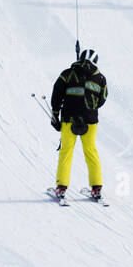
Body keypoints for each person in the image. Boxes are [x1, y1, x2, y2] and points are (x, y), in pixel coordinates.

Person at [49, 49, 108, 201]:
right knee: (91, 151)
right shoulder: (100, 78)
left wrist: (55, 114)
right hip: (90, 121)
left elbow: (57, 94)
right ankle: (96, 189)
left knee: (66, 152)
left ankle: (61, 188)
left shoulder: (67, 74)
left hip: (69, 119)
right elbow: (102, 99)